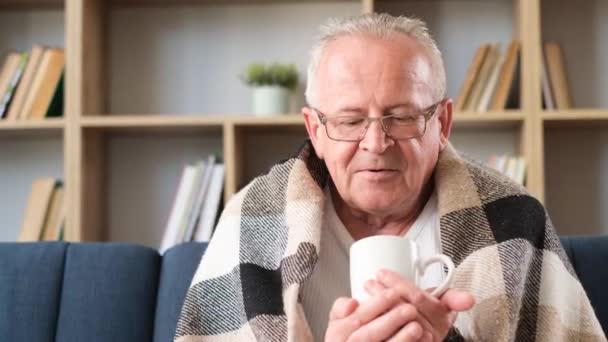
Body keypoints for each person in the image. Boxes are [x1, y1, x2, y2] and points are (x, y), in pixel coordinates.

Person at [174, 13, 604, 341]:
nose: (376, 143)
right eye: (349, 120)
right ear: (314, 130)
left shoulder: (513, 217)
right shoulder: (252, 218)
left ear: (443, 123)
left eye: (401, 117)